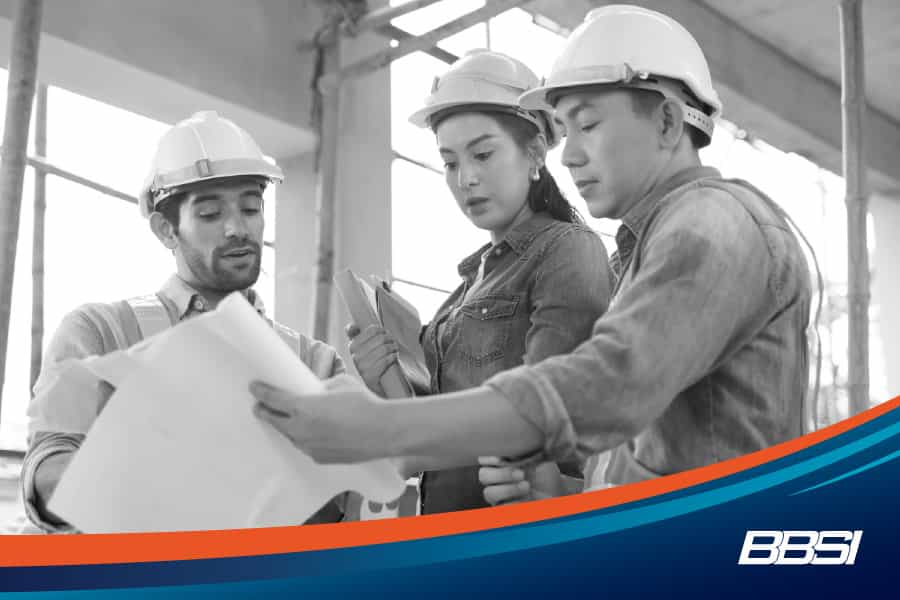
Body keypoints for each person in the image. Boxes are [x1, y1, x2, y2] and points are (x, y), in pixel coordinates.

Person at [249, 5, 812, 501]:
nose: (571, 155)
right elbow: (636, 452)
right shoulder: (648, 248)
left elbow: (606, 384)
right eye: (569, 128)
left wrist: (382, 428)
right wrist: (557, 493)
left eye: (588, 125)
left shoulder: (713, 223)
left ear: (667, 120)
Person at [23, 111, 346, 532]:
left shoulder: (314, 361)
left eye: (251, 208)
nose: (238, 229)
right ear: (166, 230)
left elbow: (337, 507)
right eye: (211, 214)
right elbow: (48, 470)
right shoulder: (101, 332)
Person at [344, 49, 612, 514]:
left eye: (483, 154)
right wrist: (384, 379)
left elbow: (547, 413)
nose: (466, 178)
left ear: (534, 154)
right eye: (450, 162)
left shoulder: (569, 250)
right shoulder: (466, 287)